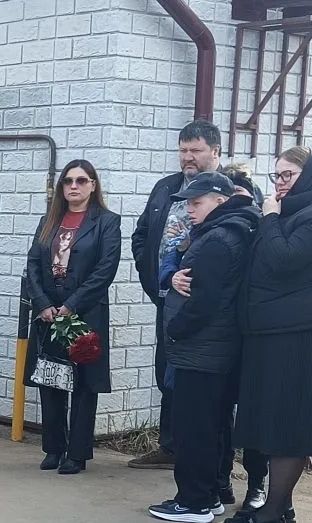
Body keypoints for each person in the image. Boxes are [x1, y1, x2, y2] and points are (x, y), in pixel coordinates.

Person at [216, 147, 312, 523]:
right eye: (277, 175)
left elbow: (283, 259)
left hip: (298, 331)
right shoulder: (293, 212)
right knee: (268, 417)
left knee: (288, 419)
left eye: (288, 174)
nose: (280, 182)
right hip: (269, 328)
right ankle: (281, 502)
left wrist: (271, 217)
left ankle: (272, 514)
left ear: (309, 175)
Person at [146, 172, 257, 523]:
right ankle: (208, 496)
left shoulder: (219, 239)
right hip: (211, 348)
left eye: (197, 203)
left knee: (193, 429)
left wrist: (176, 330)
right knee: (209, 425)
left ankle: (193, 502)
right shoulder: (224, 232)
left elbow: (205, 300)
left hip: (201, 349)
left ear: (220, 201)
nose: (190, 210)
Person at [128, 120, 224, 471]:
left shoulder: (233, 188)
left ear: (215, 151)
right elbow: (141, 235)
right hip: (167, 299)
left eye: (195, 150)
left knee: (201, 379)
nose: (187, 157)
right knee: (166, 371)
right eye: (182, 150)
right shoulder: (166, 187)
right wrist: (154, 278)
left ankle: (208, 457)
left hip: (209, 306)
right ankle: (170, 447)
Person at [22, 160, 120, 475]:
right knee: (51, 379)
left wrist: (72, 304)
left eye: (81, 180)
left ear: (93, 185)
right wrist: (42, 303)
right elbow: (33, 264)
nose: (73, 186)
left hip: (85, 313)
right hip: (48, 314)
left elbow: (105, 270)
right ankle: (53, 448)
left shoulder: (107, 222)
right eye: (68, 181)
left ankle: (76, 454)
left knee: (83, 385)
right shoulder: (48, 221)